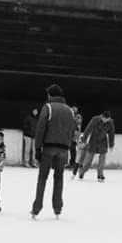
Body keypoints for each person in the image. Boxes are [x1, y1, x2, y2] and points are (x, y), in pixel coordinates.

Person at [30, 84, 76, 220]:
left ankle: (36, 208)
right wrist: (68, 148)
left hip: (49, 148)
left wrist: (38, 148)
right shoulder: (70, 111)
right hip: (63, 150)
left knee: (42, 177)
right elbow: (72, 131)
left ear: (50, 95)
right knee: (59, 178)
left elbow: (40, 129)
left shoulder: (48, 107)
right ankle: (57, 208)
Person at [78, 110, 115, 181]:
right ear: (102, 117)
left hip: (103, 142)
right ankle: (82, 172)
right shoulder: (95, 119)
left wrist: (111, 145)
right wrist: (83, 140)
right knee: (88, 161)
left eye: (107, 120)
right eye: (104, 119)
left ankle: (100, 175)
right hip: (93, 141)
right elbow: (88, 129)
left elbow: (111, 134)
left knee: (102, 160)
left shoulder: (111, 122)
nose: (105, 121)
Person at [70, 110, 84, 179]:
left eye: (80, 119)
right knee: (73, 153)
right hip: (73, 140)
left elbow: (78, 133)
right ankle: (72, 165)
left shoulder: (79, 125)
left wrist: (78, 139)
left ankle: (76, 166)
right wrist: (75, 139)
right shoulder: (74, 124)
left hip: (77, 141)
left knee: (76, 154)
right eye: (78, 118)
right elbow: (74, 132)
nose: (80, 120)